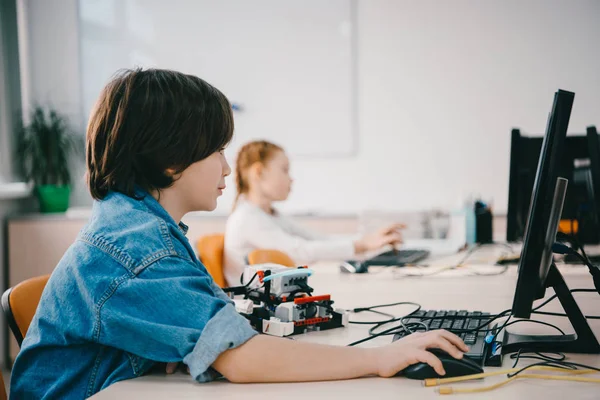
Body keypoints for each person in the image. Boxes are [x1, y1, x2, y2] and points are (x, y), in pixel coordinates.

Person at [10, 68, 468, 399]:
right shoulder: (135, 250)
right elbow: (241, 359)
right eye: (216, 151)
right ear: (171, 160)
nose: (227, 167)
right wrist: (379, 358)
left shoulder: (139, 226)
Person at [224, 140, 404, 286]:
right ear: (259, 172)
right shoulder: (246, 218)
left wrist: (367, 241)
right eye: (284, 170)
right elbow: (298, 251)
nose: (291, 178)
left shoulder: (269, 215)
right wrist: (362, 245)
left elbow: (316, 239)